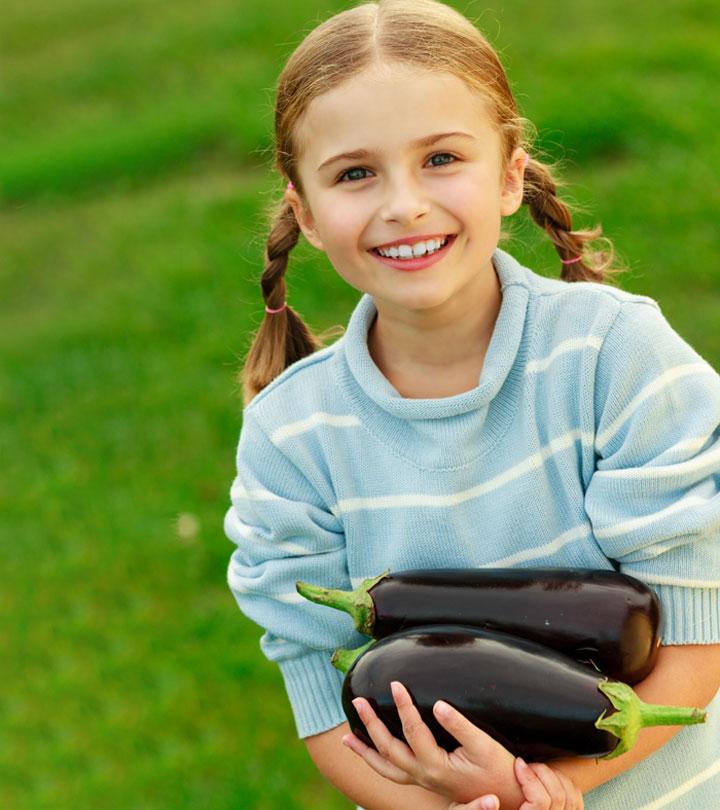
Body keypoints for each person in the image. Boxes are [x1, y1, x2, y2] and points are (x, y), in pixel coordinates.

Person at [224, 1, 720, 807]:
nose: (403, 205)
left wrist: (549, 789)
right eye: (356, 173)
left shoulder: (616, 357)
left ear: (510, 175)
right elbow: (325, 708)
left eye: (442, 158)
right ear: (306, 213)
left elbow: (698, 638)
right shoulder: (291, 440)